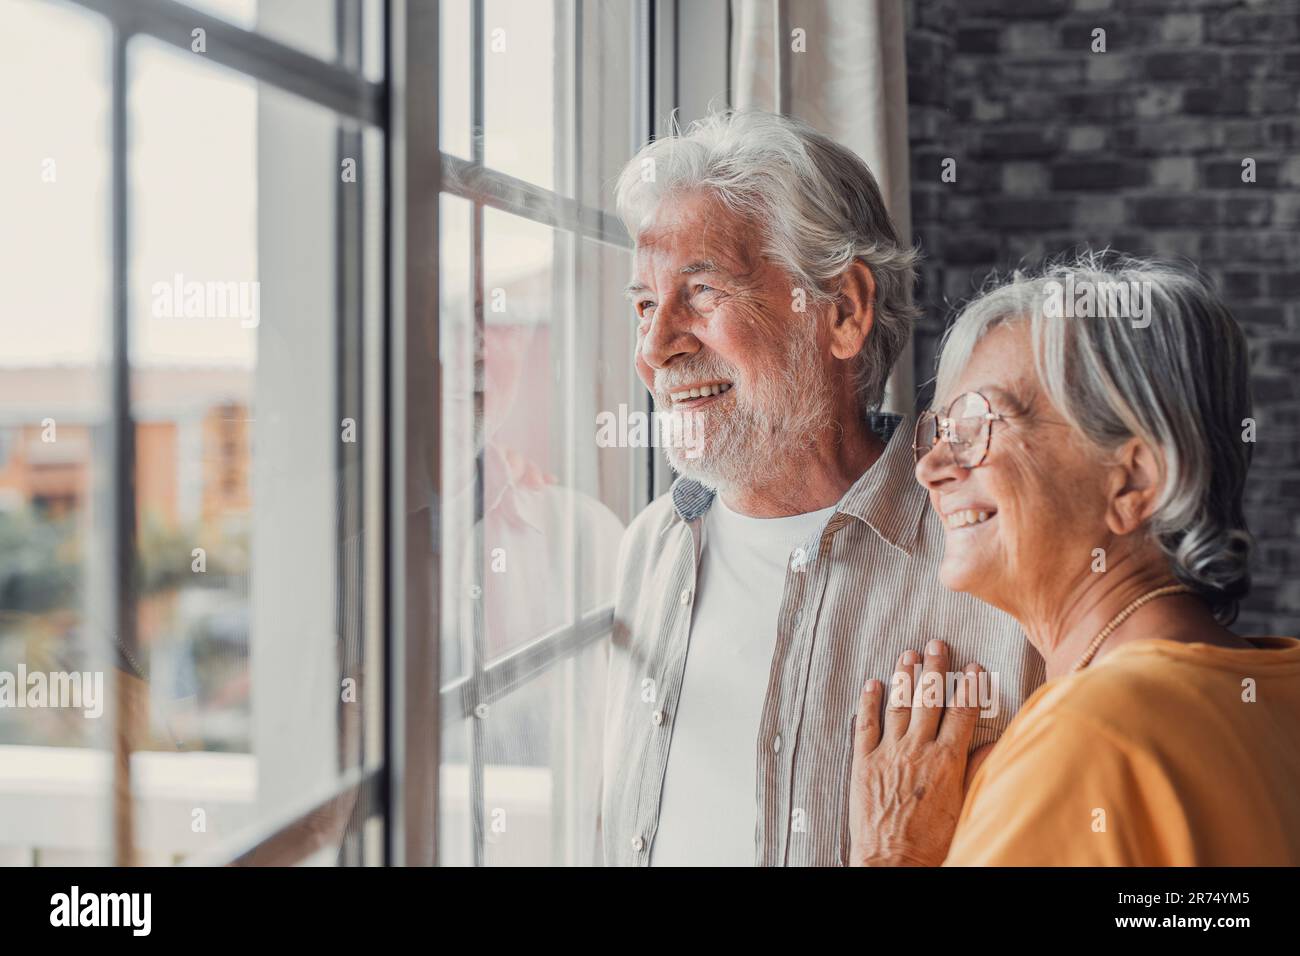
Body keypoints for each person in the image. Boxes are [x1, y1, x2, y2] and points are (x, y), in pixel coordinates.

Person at [599, 109, 1044, 867]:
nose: (653, 348)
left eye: (700, 292)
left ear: (841, 311)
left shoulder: (1003, 563)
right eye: (644, 303)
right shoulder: (647, 550)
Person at [848, 253, 1300, 866]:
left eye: (980, 424)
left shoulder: (1088, 739)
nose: (930, 468)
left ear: (1133, 482)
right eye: (941, 429)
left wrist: (893, 854)